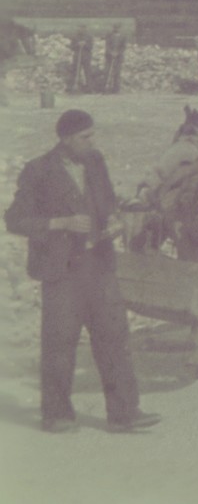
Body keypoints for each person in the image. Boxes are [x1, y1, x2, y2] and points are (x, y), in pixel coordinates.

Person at [4, 110, 160, 434]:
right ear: (65, 139)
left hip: (99, 265)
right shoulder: (39, 170)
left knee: (114, 337)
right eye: (85, 137)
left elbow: (105, 202)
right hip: (62, 272)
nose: (92, 141)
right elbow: (15, 220)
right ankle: (57, 415)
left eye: (93, 135)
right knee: (60, 343)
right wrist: (60, 223)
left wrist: (116, 219)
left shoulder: (95, 161)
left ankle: (124, 414)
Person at [102, 24, 126, 94]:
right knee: (107, 72)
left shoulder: (123, 36)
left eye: (118, 28)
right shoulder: (109, 36)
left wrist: (118, 53)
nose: (116, 29)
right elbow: (107, 45)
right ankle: (106, 89)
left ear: (120, 28)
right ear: (113, 28)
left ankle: (116, 89)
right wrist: (111, 52)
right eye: (115, 28)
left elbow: (123, 47)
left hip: (118, 58)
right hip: (109, 57)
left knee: (117, 73)